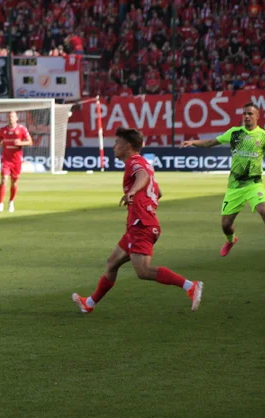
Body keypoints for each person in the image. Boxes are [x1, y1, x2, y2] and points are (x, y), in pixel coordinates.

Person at [73, 128, 203, 314]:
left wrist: (133, 192)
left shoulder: (135, 162)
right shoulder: (144, 162)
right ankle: (89, 304)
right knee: (112, 263)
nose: (113, 146)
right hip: (140, 223)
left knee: (143, 271)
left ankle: (190, 286)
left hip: (142, 224)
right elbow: (158, 192)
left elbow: (143, 177)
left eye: (117, 143)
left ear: (127, 146)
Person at [181, 102, 265, 256]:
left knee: (264, 211)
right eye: (244, 113)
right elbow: (211, 142)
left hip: (254, 184)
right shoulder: (234, 133)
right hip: (235, 186)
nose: (246, 116)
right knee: (226, 225)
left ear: (257, 116)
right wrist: (193, 142)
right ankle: (231, 240)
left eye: (250, 114)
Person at [0, 111, 31, 213]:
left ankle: (11, 202)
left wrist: (21, 143)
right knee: (3, 179)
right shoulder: (3, 130)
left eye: (13, 117)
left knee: (14, 183)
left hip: (16, 160)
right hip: (6, 159)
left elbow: (30, 141)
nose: (11, 118)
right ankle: (0, 204)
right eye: (9, 117)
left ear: (16, 118)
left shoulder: (22, 129)